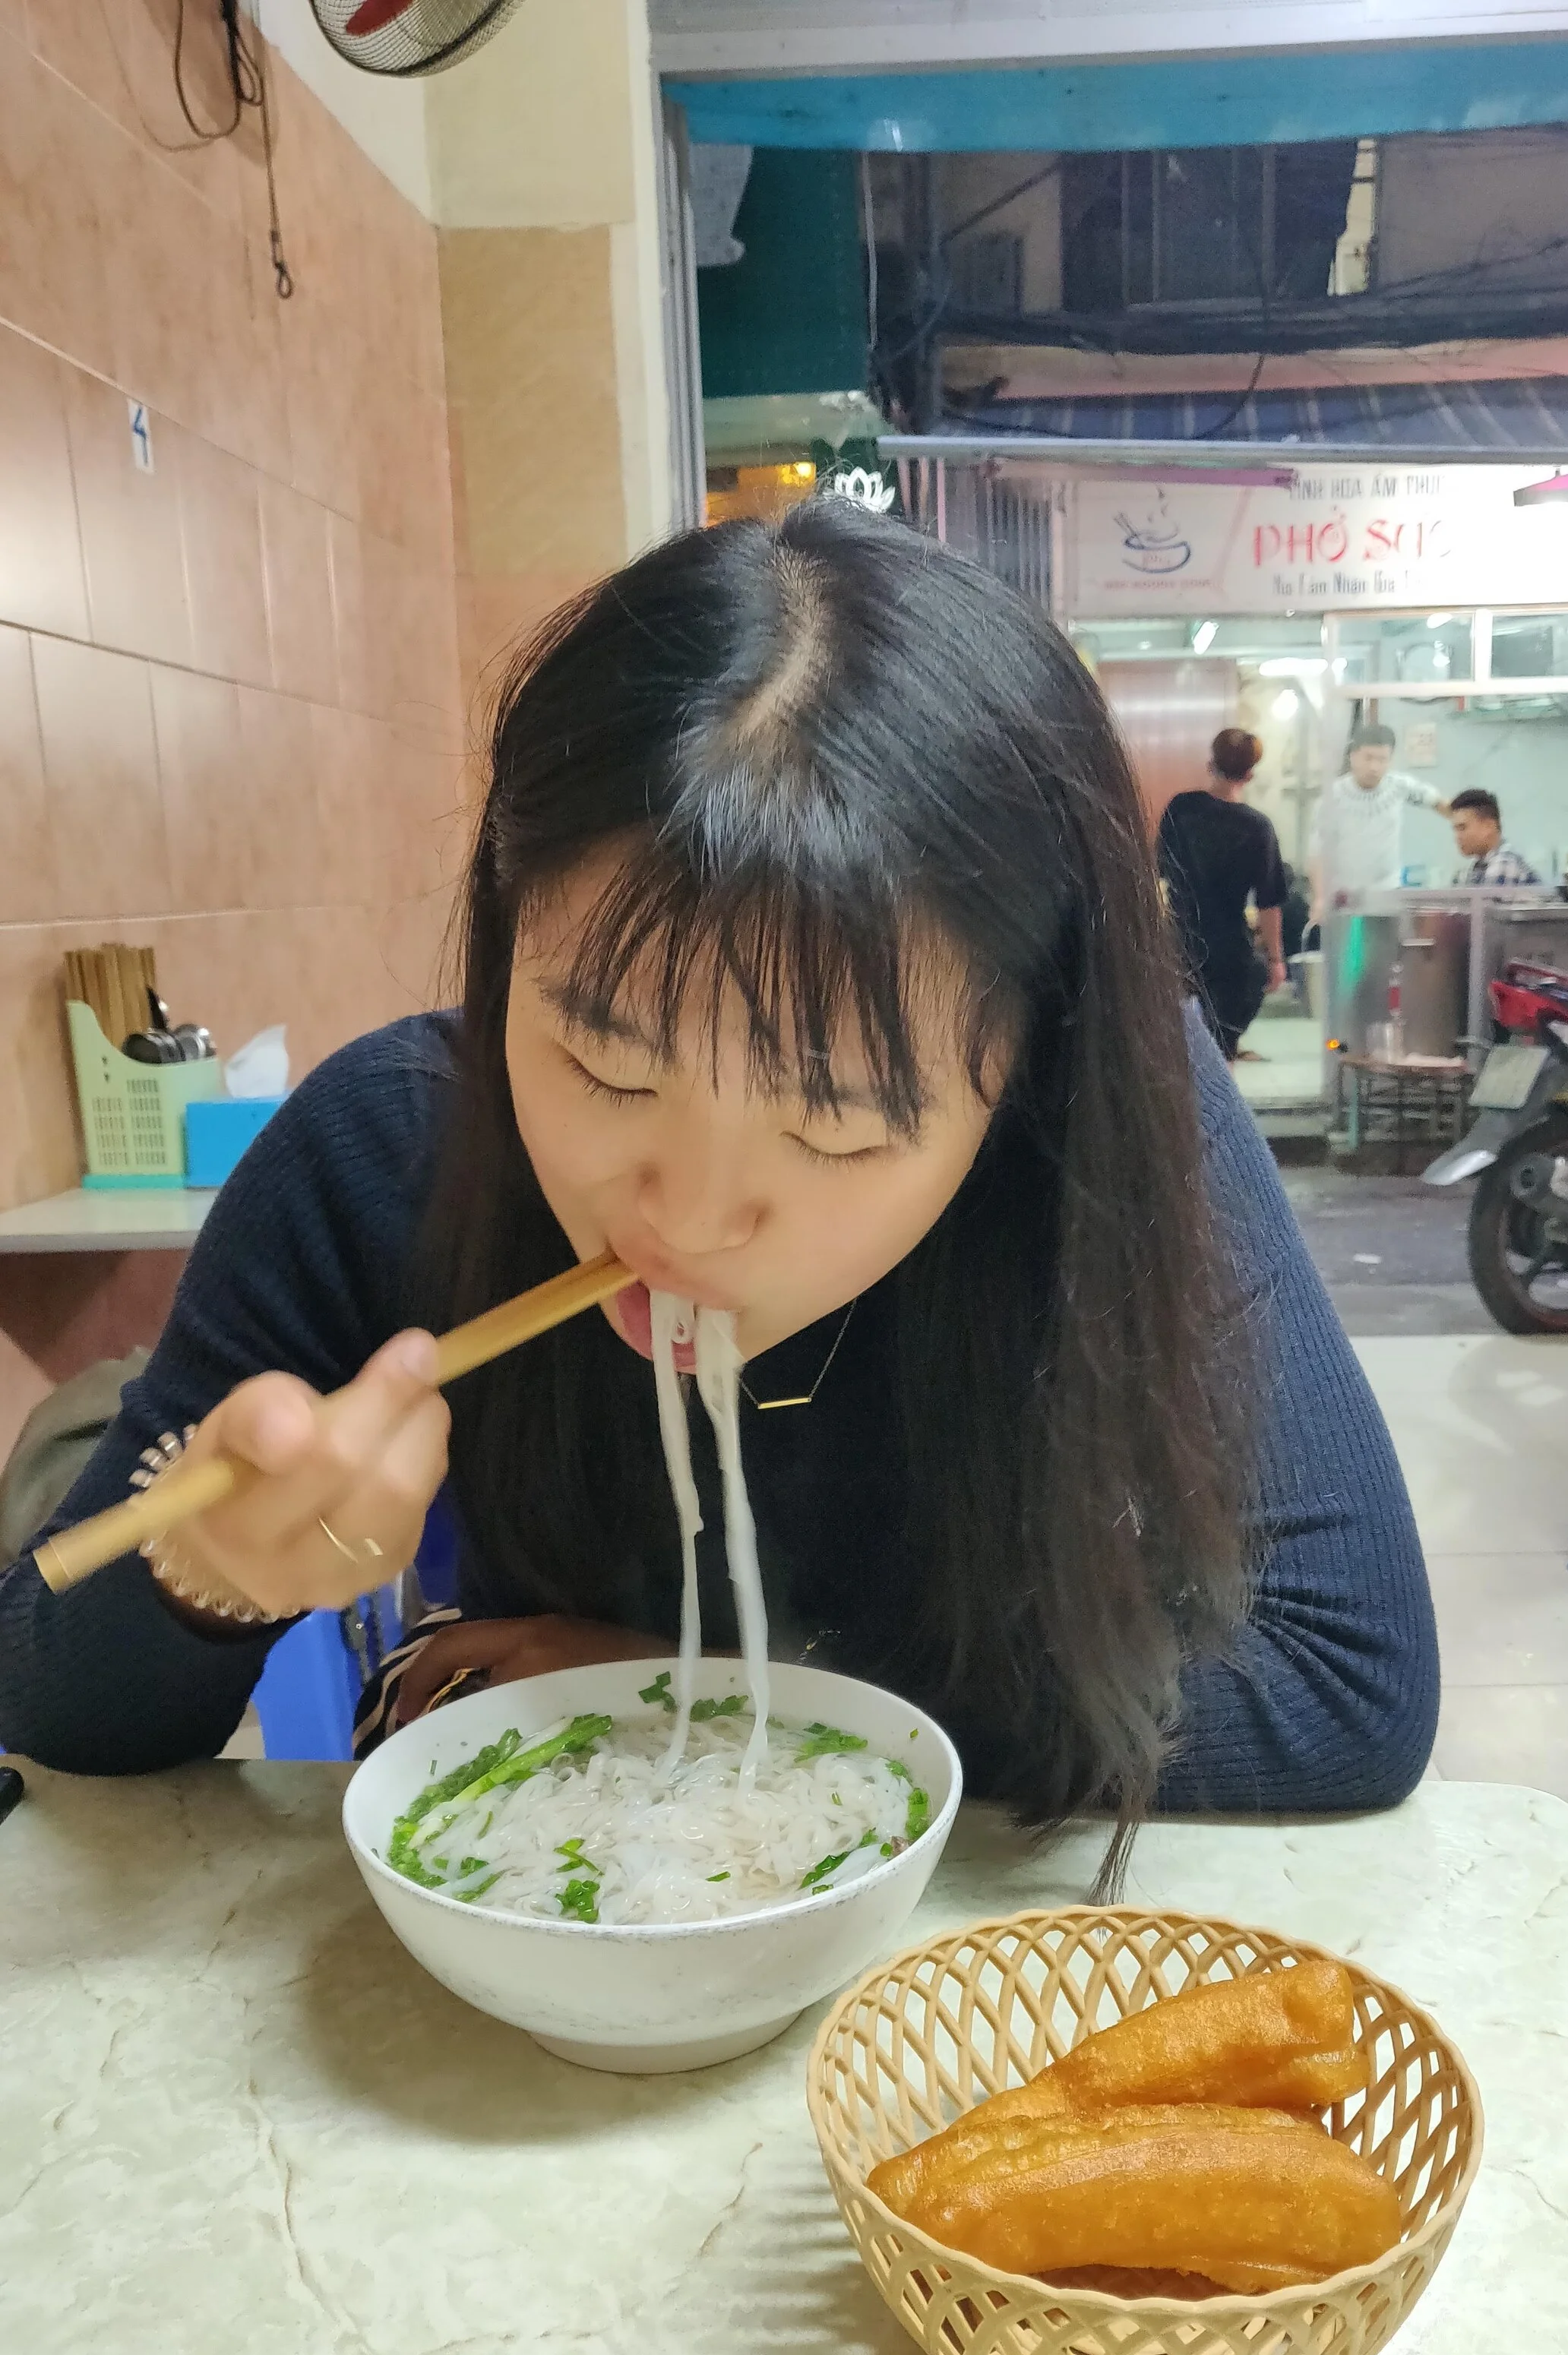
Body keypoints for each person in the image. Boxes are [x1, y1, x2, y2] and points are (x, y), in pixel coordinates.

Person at [0, 503, 1436, 1857]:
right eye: (608, 1070)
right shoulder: (388, 1144)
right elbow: (46, 1689)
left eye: (835, 1129)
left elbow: (1347, 1684)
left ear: (1030, 1067)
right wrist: (212, 1576)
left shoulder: (1118, 1129)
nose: (682, 1216)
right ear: (509, 947)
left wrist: (729, 1692)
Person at [1155, 729, 1288, 1063]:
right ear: (1250, 774)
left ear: (1210, 763)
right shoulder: (1258, 827)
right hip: (1231, 953)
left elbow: (1156, 874)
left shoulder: (1181, 808)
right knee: (1220, 1052)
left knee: (1178, 1049)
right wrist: (1275, 960)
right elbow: (1269, 901)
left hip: (1180, 944)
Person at [1311, 723, 1449, 905]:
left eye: (1382, 759)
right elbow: (1316, 852)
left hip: (1389, 891)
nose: (1374, 767)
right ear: (1353, 756)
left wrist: (1467, 822)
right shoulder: (1332, 797)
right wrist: (1319, 898)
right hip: (1343, 896)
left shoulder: (1400, 786)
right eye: (1368, 758)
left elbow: (1438, 802)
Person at [1446, 789, 1539, 887]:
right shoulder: (1477, 867)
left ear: (1488, 827)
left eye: (1462, 828)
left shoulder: (1505, 862)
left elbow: (1484, 903)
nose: (1457, 838)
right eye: (1455, 830)